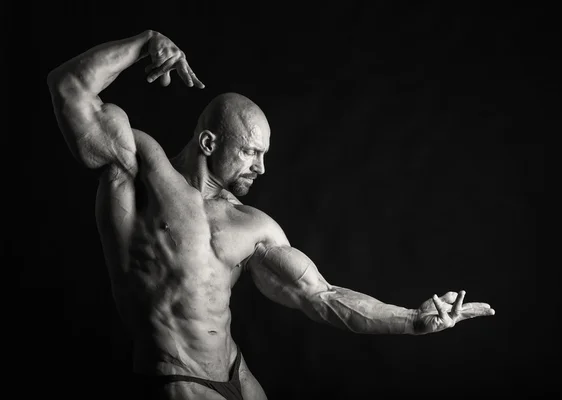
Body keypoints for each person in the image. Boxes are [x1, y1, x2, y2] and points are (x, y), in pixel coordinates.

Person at [47, 29, 495, 400]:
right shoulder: (140, 165)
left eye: (264, 156)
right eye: (250, 152)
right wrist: (145, 43)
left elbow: (322, 297)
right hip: (176, 378)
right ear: (209, 143)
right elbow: (68, 86)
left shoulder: (253, 225)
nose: (260, 168)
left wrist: (414, 321)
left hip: (236, 372)